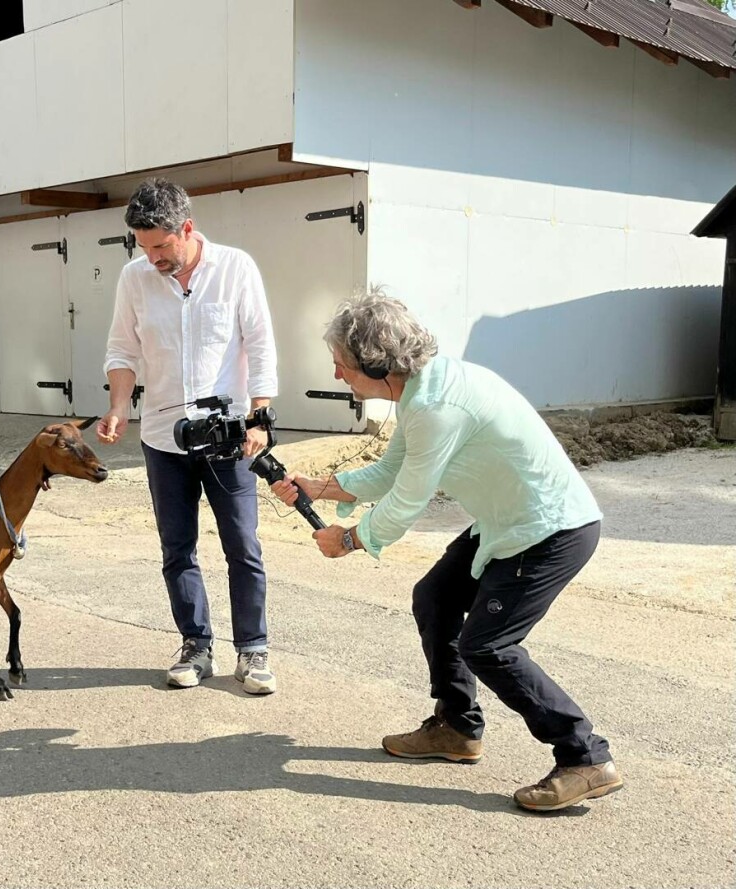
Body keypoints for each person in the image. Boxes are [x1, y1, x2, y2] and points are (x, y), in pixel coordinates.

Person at [271, 289, 622, 811]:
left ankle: (584, 756)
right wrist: (320, 487)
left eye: (343, 365)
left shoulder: (438, 406)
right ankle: (457, 728)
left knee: (488, 645)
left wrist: (348, 539)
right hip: (506, 525)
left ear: (376, 362)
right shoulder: (423, 392)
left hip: (548, 531)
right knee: (434, 597)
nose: (340, 376)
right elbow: (391, 470)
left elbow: (408, 498)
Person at [98, 178, 279, 695]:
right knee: (177, 549)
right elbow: (121, 350)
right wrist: (117, 406)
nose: (151, 257)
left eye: (160, 245)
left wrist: (260, 413)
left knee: (242, 545)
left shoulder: (236, 268)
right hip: (162, 437)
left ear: (187, 229)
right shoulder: (134, 278)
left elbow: (261, 342)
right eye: (143, 246)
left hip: (229, 440)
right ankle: (196, 645)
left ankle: (253, 650)